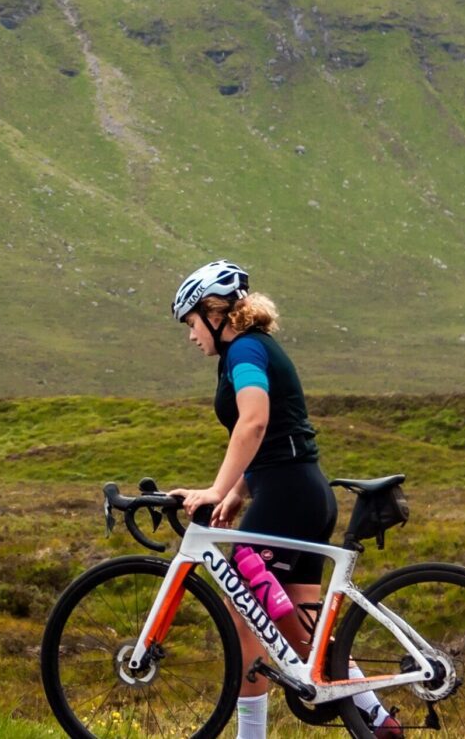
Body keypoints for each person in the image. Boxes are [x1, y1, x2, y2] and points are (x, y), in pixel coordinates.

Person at [163, 261, 397, 739]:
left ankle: (252, 736)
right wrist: (235, 493)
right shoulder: (256, 348)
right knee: (304, 637)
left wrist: (213, 488)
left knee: (243, 608)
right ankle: (376, 717)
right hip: (301, 491)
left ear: (214, 312)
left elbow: (255, 422)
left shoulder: (244, 350)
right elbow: (278, 438)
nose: (191, 337)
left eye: (191, 323)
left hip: (290, 495)